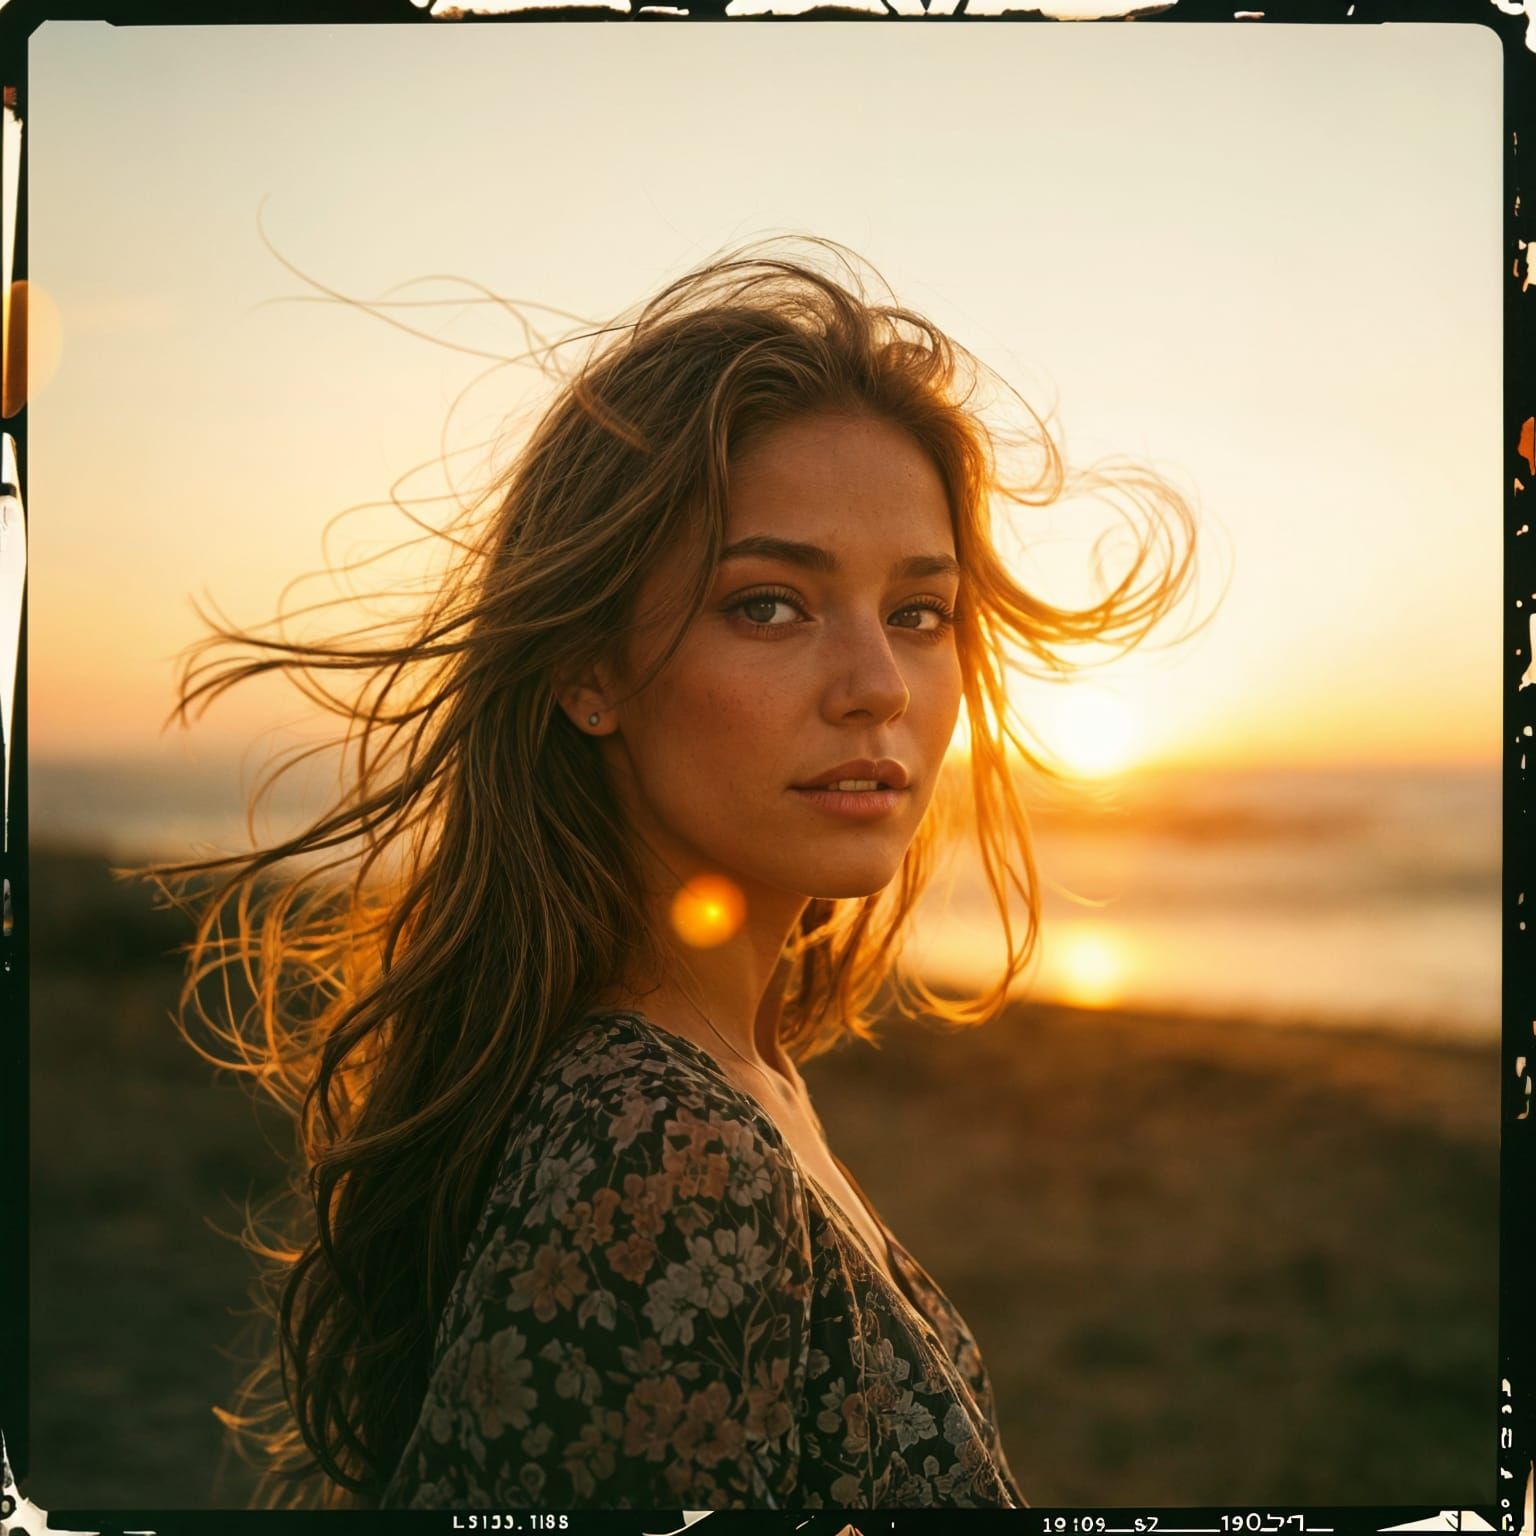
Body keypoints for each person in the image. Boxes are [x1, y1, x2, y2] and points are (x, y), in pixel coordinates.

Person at [140, 235, 1201, 1510]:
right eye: (769, 604)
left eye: (919, 613)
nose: (877, 687)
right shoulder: (659, 1152)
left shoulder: (734, 1078)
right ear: (589, 670)